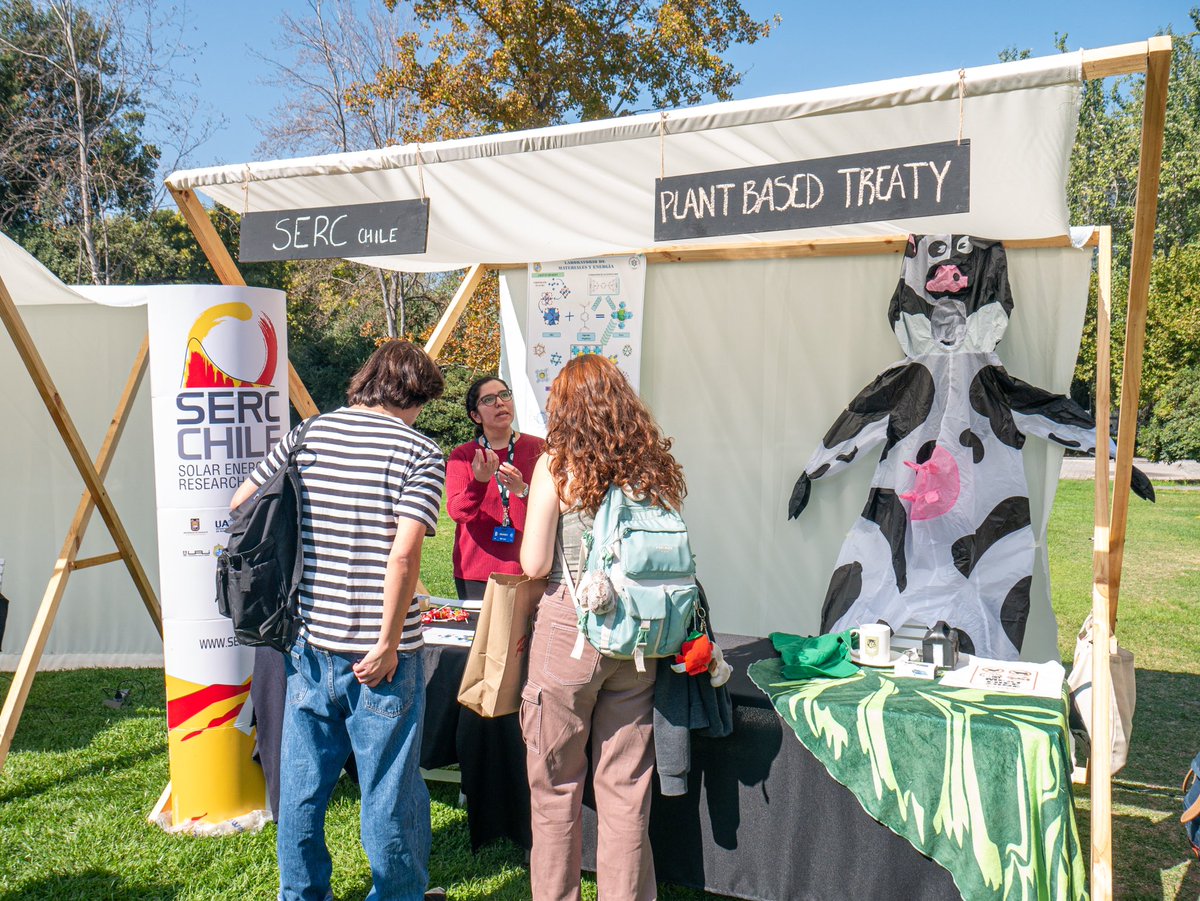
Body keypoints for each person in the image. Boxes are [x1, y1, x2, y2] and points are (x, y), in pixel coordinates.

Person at [231, 340, 446, 901]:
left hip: (309, 640)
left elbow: (243, 502)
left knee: (302, 786)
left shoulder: (308, 433)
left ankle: (301, 893)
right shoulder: (420, 451)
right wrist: (388, 642)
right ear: (414, 394)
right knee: (390, 790)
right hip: (381, 654)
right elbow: (403, 556)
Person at [519, 354, 687, 901]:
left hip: (570, 629)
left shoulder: (556, 465)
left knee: (555, 787)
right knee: (626, 791)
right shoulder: (651, 466)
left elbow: (534, 563)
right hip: (640, 636)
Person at [445, 376, 544, 601]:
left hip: (530, 568)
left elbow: (556, 506)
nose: (500, 403)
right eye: (489, 399)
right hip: (477, 573)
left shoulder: (539, 448)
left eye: (504, 395)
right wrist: (479, 482)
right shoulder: (463, 456)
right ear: (475, 416)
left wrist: (522, 490)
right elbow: (458, 512)